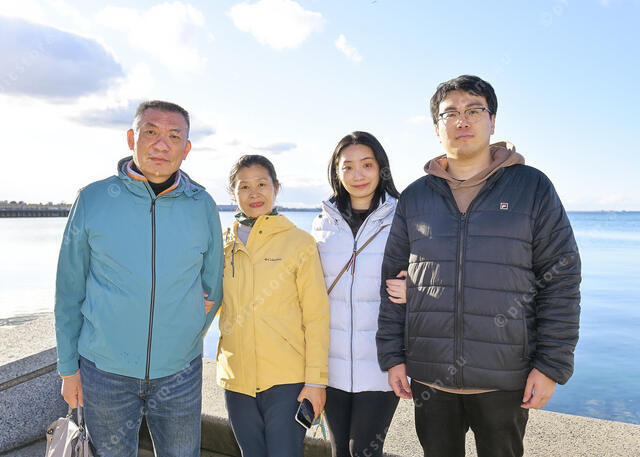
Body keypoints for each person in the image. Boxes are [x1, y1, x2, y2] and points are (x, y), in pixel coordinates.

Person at [376, 75, 582, 457]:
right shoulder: (416, 197)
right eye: (450, 113)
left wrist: (551, 366)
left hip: (505, 379)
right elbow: (392, 282)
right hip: (431, 378)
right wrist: (393, 357)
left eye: (474, 110)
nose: (462, 120)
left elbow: (562, 279)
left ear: (493, 121)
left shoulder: (532, 187)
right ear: (436, 127)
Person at [55, 100, 224, 457]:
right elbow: (69, 290)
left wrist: (184, 335)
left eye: (174, 136)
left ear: (186, 148)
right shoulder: (93, 199)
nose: (161, 144)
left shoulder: (203, 205)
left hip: (180, 372)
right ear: (132, 139)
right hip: (104, 372)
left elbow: (213, 287)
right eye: (151, 132)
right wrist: (68, 369)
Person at [216, 154, 330, 457]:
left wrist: (316, 381)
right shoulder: (221, 244)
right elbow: (213, 303)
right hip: (237, 380)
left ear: (276, 188)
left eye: (262, 184)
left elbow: (317, 316)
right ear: (233, 193)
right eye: (244, 187)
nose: (254, 193)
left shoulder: (300, 242)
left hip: (288, 381)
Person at [311, 131, 402, 457]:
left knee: (363, 449)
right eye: (347, 167)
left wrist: (416, 289)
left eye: (367, 164)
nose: (357, 174)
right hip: (330, 363)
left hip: (381, 363)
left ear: (381, 168)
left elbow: (434, 274)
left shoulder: (402, 218)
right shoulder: (322, 223)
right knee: (339, 450)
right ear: (336, 172)